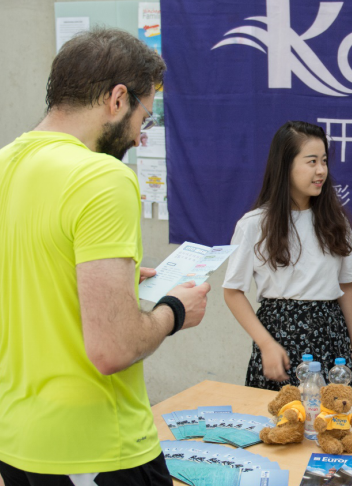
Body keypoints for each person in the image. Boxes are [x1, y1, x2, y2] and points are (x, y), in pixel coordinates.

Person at [0, 29, 211, 485]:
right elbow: (113, 348)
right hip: (96, 448)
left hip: (16, 442)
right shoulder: (101, 177)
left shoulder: (4, 165)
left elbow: (28, 285)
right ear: (117, 99)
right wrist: (174, 310)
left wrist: (111, 289)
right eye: (144, 118)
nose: (139, 137)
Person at [223, 121, 352, 403]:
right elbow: (232, 292)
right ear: (285, 166)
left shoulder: (335, 221)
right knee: (280, 420)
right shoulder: (254, 224)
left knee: (333, 421)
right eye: (311, 161)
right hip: (280, 338)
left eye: (324, 161)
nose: (321, 170)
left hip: (331, 337)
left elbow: (346, 286)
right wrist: (266, 344)